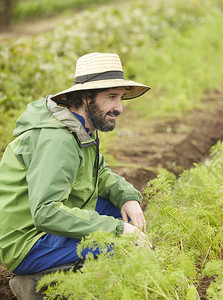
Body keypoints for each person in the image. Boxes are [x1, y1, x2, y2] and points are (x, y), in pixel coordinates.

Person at [0, 52, 151, 298]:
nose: (119, 108)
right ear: (85, 96)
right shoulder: (58, 139)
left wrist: (127, 197)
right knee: (120, 242)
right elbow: (46, 212)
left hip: (52, 224)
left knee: (126, 219)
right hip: (29, 242)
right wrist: (116, 231)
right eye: (111, 97)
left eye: (121, 97)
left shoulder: (81, 127)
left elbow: (98, 173)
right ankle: (38, 284)